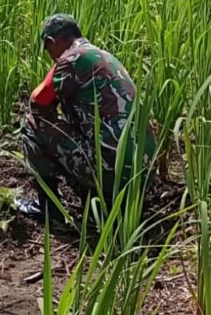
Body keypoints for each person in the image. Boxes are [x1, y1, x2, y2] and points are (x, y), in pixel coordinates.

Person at [18, 14, 155, 220]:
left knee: (32, 126)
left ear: (51, 42)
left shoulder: (71, 60)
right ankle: (106, 200)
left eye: (48, 50)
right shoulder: (104, 56)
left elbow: (38, 102)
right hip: (143, 173)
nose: (51, 56)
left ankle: (49, 210)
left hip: (111, 171)